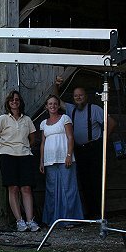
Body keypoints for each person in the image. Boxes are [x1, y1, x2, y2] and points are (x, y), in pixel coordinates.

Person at [54, 76, 116, 219]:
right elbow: (56, 99)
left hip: (94, 149)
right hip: (79, 151)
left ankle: (100, 213)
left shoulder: (94, 109)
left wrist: (103, 140)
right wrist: (56, 85)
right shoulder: (70, 109)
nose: (78, 98)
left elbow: (111, 123)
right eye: (76, 96)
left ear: (86, 96)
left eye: (81, 95)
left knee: (96, 180)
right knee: (84, 181)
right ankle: (91, 213)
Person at [0, 90, 40, 232]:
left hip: (25, 156)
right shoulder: (3, 119)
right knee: (13, 188)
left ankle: (30, 220)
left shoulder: (27, 120)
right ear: (8, 102)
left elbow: (33, 138)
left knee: (26, 188)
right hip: (7, 156)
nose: (14, 102)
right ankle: (20, 221)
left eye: (17, 99)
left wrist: (24, 148)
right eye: (12, 100)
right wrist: (2, 148)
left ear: (20, 102)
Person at [39, 95, 83, 228]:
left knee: (68, 188)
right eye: (50, 104)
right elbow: (42, 143)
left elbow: (70, 137)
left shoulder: (65, 118)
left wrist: (69, 155)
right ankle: (53, 220)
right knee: (52, 190)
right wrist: (41, 161)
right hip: (49, 160)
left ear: (58, 106)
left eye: (55, 104)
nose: (52, 106)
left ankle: (70, 219)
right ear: (46, 107)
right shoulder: (43, 123)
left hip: (65, 158)